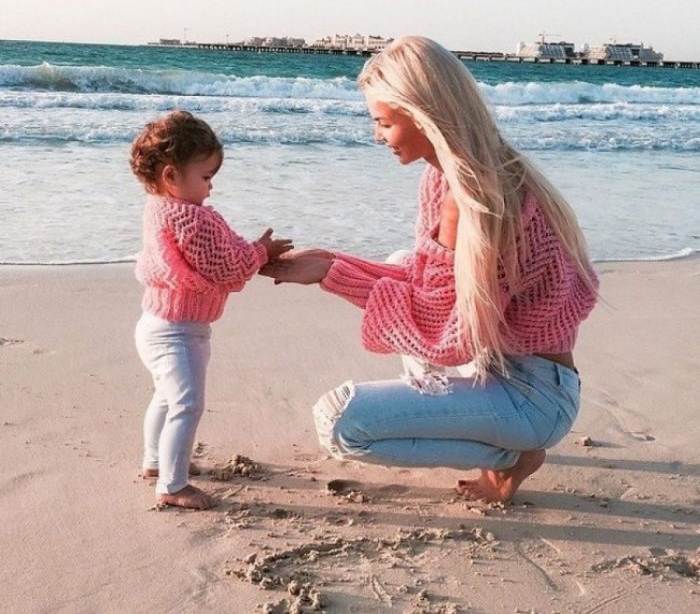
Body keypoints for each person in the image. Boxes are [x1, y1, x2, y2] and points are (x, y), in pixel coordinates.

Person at [261, 36, 599, 503]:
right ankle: (485, 430)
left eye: (383, 122)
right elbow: (427, 287)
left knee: (339, 422)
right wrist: (329, 263)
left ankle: (511, 456)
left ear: (424, 115)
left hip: (532, 398)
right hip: (509, 367)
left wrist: (328, 276)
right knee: (406, 264)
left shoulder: (473, 201)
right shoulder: (451, 175)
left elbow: (445, 331)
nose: (377, 136)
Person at [130, 110, 292, 509]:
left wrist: (251, 251)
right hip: (177, 331)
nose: (211, 187)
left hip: (161, 322)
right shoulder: (188, 217)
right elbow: (224, 265)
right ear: (171, 176)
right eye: (205, 177)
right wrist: (260, 252)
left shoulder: (160, 207)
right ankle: (171, 485)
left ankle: (156, 461)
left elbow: (221, 254)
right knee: (187, 403)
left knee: (166, 398)